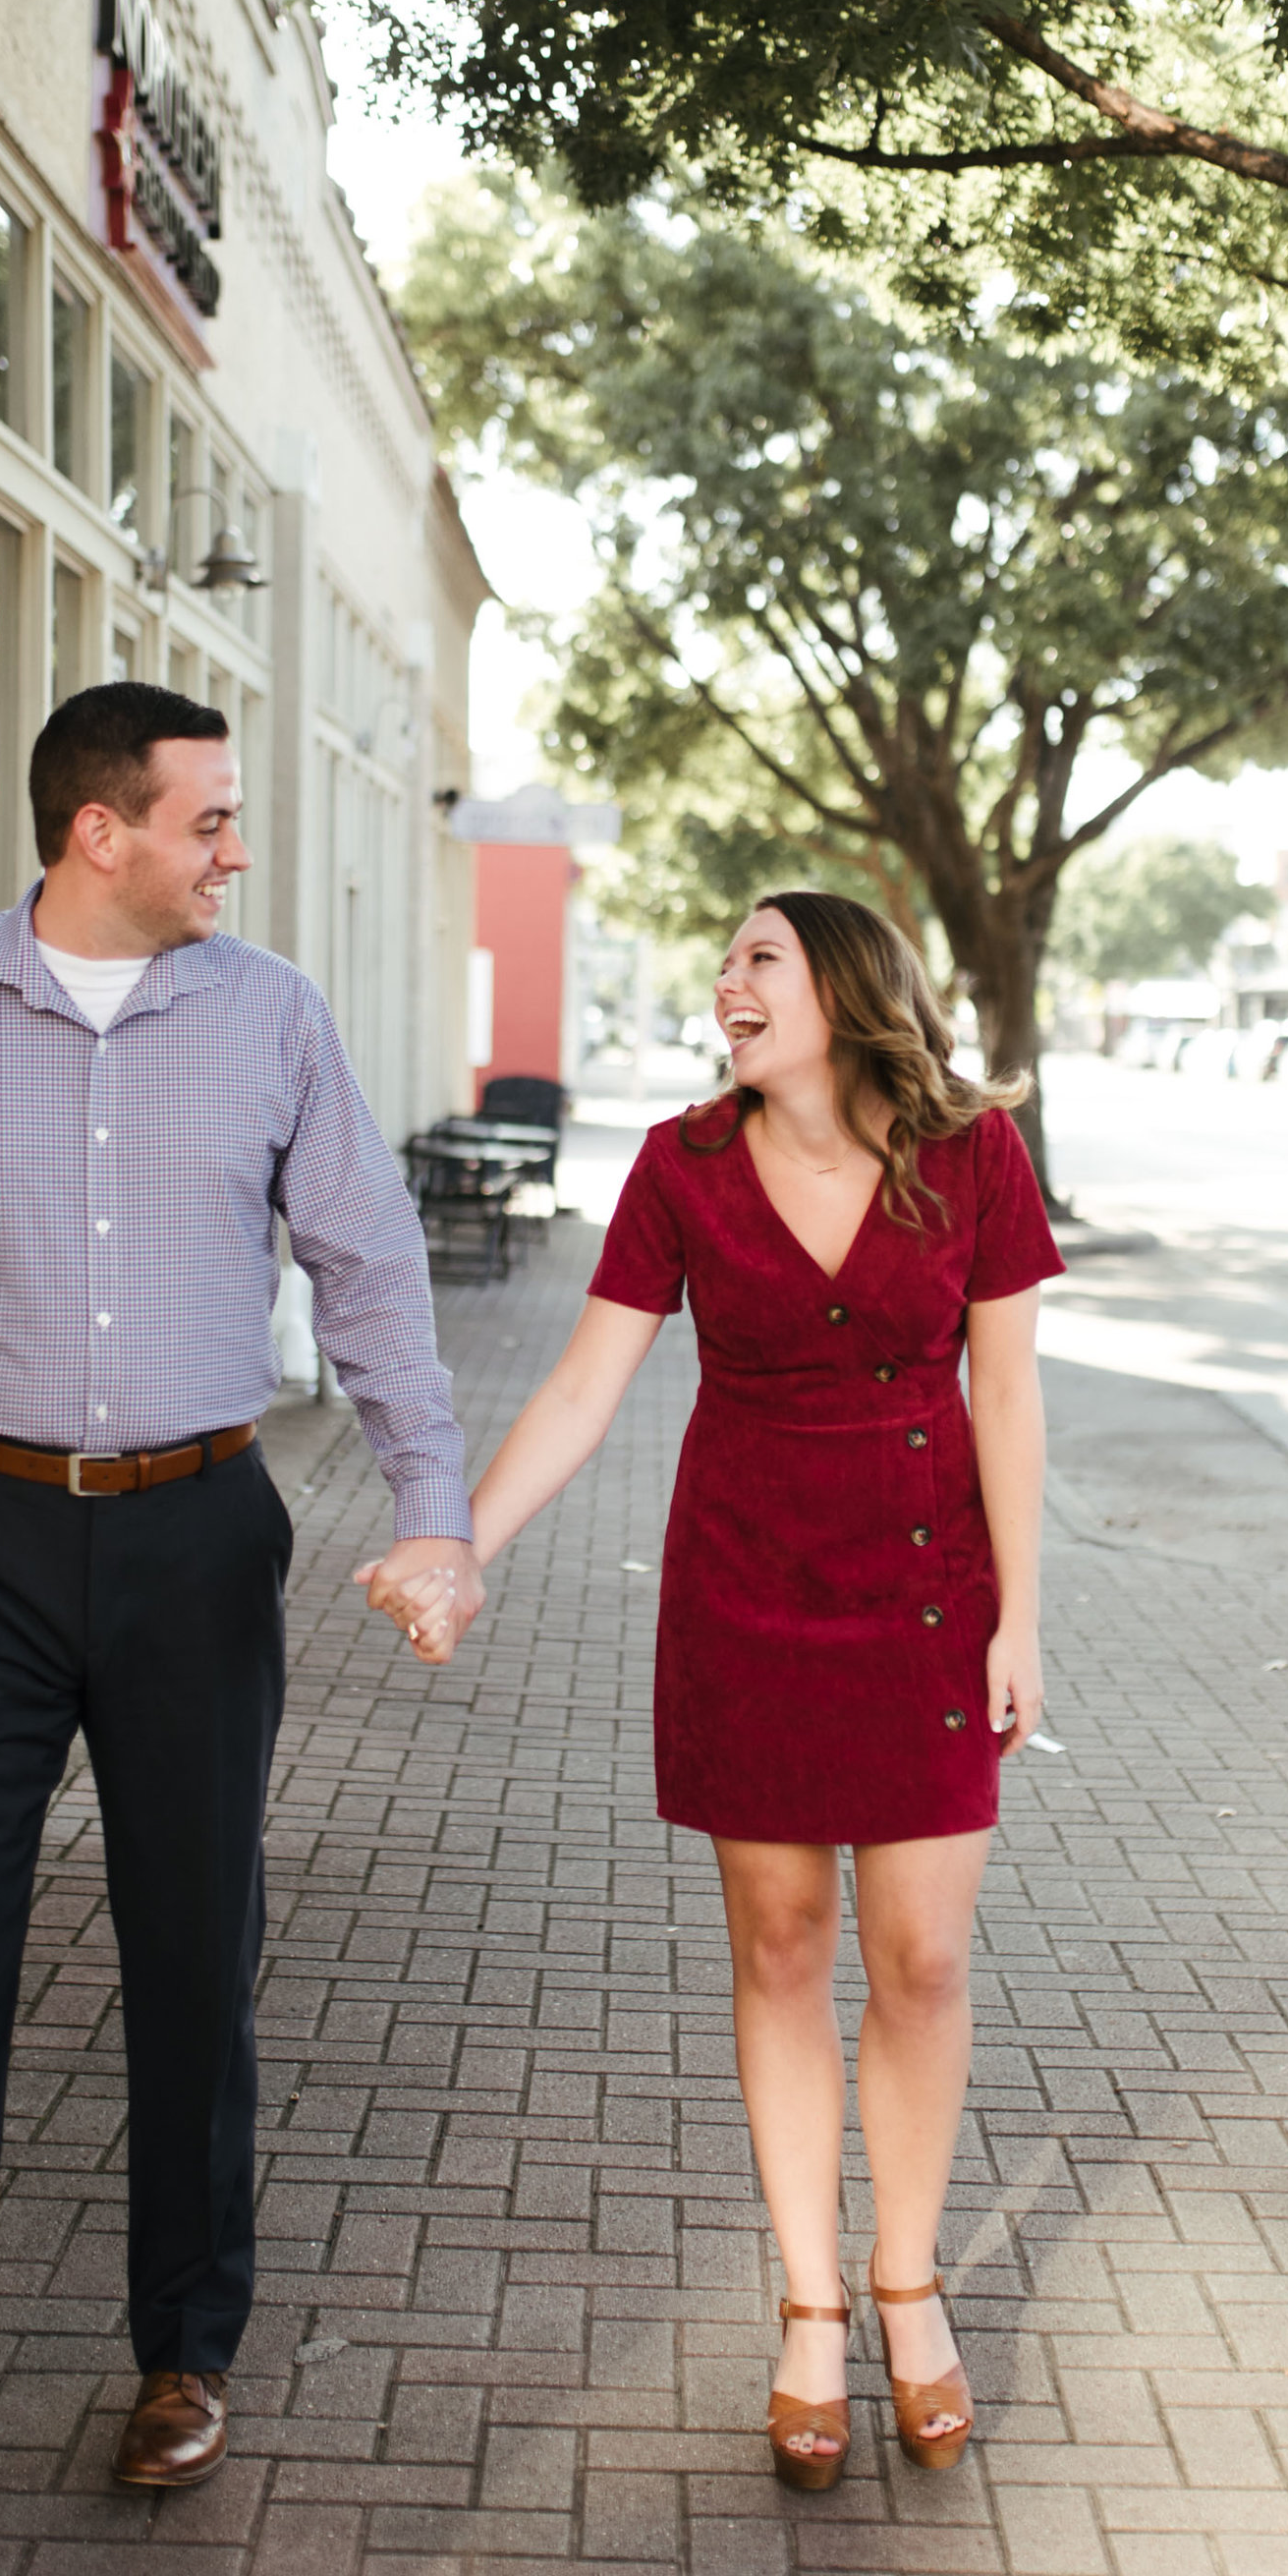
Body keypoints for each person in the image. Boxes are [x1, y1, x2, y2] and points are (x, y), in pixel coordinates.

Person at [0, 683, 482, 2576]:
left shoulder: (271, 1018)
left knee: (187, 1962)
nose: (236, 851)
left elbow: (369, 1266)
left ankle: (181, 2353)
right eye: (209, 820)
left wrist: (429, 1507)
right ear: (96, 833)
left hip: (194, 1537)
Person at [364, 890, 1060, 2485]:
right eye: (728, 961)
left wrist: (1025, 1612)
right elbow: (585, 1379)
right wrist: (457, 1545)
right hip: (748, 1583)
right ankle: (819, 2302)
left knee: (925, 1953)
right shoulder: (679, 1167)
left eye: (762, 957)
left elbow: (1007, 1392)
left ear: (843, 984)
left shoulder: (970, 1157)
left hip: (927, 1587)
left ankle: (911, 2275)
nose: (728, 983)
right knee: (784, 1942)